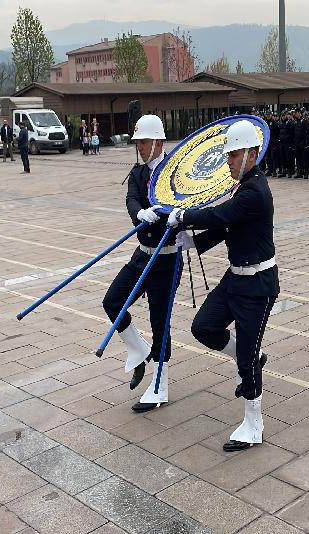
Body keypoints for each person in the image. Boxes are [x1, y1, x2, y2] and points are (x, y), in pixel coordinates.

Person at [167, 120, 277, 452]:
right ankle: (251, 355)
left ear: (251, 155)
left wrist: (184, 216)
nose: (227, 161)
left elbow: (222, 215)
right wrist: (192, 242)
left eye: (233, 155)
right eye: (228, 155)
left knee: (246, 361)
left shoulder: (255, 191)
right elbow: (227, 226)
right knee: (204, 326)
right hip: (235, 278)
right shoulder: (242, 186)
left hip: (257, 285)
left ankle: (254, 424)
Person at [102, 115, 182, 412]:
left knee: (160, 321)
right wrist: (140, 213)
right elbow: (132, 199)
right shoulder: (138, 172)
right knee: (113, 301)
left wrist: (169, 213)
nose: (140, 147)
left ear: (158, 141)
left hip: (167, 258)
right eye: (137, 142)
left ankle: (160, 385)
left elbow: (186, 203)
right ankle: (138, 349)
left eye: (144, 142)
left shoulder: (175, 172)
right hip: (143, 253)